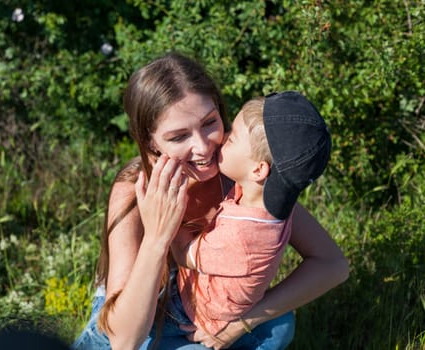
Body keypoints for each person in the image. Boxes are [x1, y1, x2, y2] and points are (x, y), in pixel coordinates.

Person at [72, 52, 349, 350]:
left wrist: (242, 323)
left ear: (219, 110)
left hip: (204, 313)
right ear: (151, 141)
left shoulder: (241, 173)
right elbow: (124, 340)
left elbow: (332, 264)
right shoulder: (135, 190)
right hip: (136, 322)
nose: (203, 148)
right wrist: (157, 237)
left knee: (277, 325)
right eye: (178, 137)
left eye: (209, 123)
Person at [166, 92, 332, 340]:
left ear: (258, 169)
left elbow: (183, 253)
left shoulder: (241, 237)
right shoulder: (271, 207)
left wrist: (171, 207)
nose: (221, 140)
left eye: (232, 138)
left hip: (192, 317)